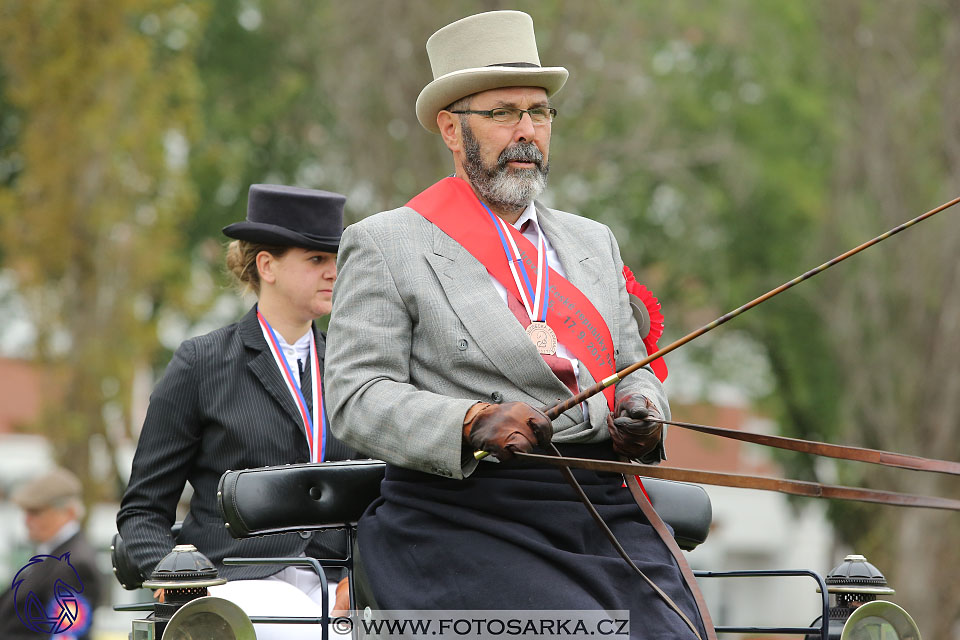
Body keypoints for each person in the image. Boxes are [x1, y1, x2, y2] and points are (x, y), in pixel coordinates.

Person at [325, 10, 712, 640]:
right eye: (504, 113)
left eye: (540, 112)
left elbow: (631, 370)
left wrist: (644, 411)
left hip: (603, 506)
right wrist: (471, 421)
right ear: (452, 128)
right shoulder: (387, 243)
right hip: (465, 515)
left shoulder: (593, 242)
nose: (527, 131)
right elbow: (355, 399)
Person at [116, 184, 356, 636]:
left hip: (339, 588)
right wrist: (181, 585)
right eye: (316, 260)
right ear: (267, 266)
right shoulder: (201, 364)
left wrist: (359, 578)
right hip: (235, 587)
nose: (333, 273)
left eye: (335, 260)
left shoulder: (352, 368)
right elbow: (144, 510)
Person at [0, 467, 103, 640]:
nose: (26, 520)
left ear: (68, 512)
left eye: (36, 512)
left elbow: (64, 636)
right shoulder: (51, 555)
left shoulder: (75, 565)